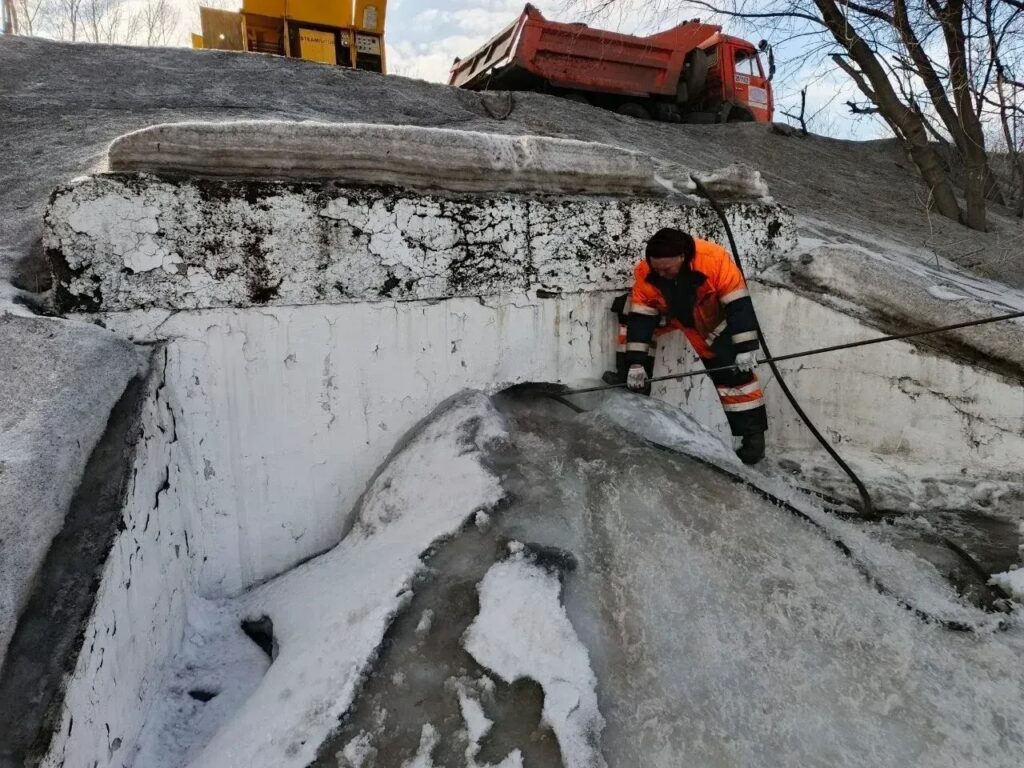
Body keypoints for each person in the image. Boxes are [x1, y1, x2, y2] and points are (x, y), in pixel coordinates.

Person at [606, 227, 767, 464]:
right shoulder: (646, 272)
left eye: (667, 269)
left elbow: (738, 304)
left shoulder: (714, 259)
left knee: (731, 372)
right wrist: (636, 364)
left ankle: (753, 441)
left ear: (683, 258)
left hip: (710, 319)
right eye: (657, 268)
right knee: (630, 314)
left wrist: (745, 347)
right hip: (671, 313)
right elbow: (642, 318)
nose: (661, 273)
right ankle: (632, 383)